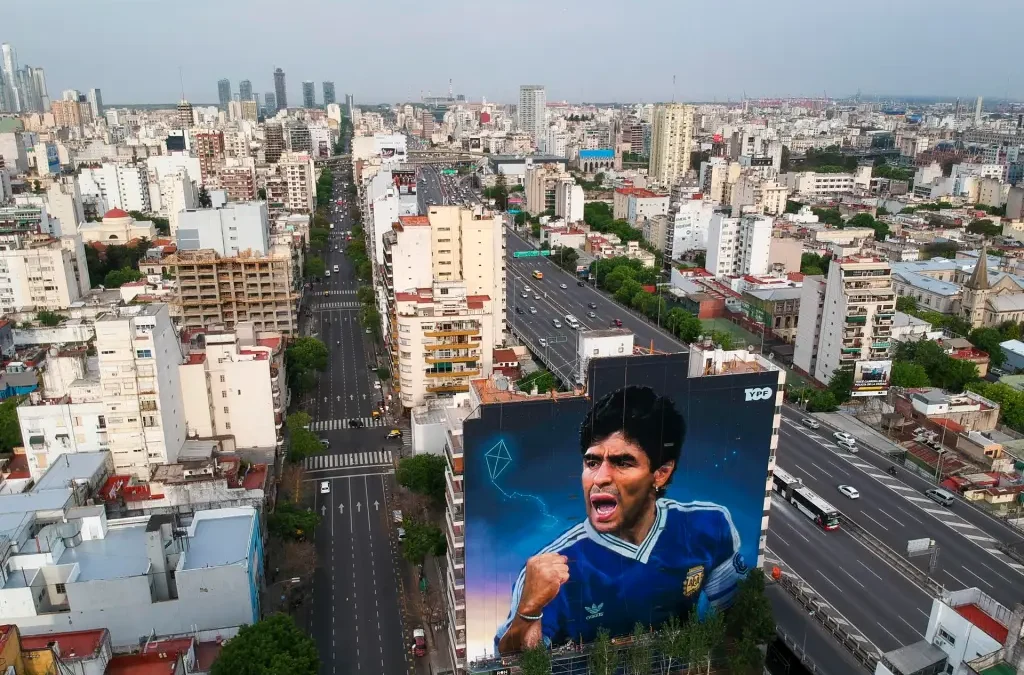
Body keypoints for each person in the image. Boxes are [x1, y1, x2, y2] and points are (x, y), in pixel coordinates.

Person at [495, 386, 744, 654]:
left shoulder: (708, 526)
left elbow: (734, 622)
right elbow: (514, 663)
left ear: (660, 473)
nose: (600, 478)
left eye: (622, 463)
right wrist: (528, 611)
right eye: (592, 463)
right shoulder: (553, 568)